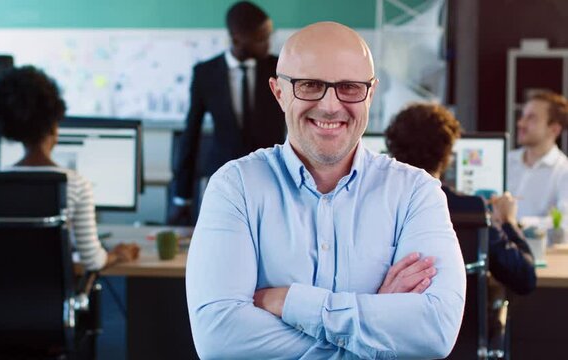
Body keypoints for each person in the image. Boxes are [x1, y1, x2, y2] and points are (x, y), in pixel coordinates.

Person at [186, 22, 465, 359]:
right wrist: (375, 322)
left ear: (370, 93)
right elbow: (219, 340)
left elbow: (435, 331)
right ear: (279, 93)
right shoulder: (236, 187)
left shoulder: (415, 192)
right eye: (310, 85)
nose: (331, 106)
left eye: (349, 87)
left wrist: (290, 302)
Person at [0, 66, 138, 271]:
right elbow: (92, 260)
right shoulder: (75, 184)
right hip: (49, 301)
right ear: (53, 125)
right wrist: (118, 255)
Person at [385, 103, 536, 295]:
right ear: (447, 155)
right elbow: (524, 278)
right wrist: (508, 222)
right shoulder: (470, 207)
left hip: (393, 321)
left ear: (392, 150)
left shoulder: (379, 205)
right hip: (465, 323)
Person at [169, 1, 286, 225]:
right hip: (223, 178)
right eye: (261, 38)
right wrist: (182, 198)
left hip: (272, 178)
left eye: (269, 36)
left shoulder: (279, 68)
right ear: (236, 40)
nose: (268, 43)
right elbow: (190, 135)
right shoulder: (206, 73)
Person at [508, 90, 568, 218]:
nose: (520, 123)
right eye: (523, 116)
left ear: (554, 129)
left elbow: (563, 225)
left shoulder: (564, 172)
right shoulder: (506, 161)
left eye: (531, 118)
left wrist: (514, 224)